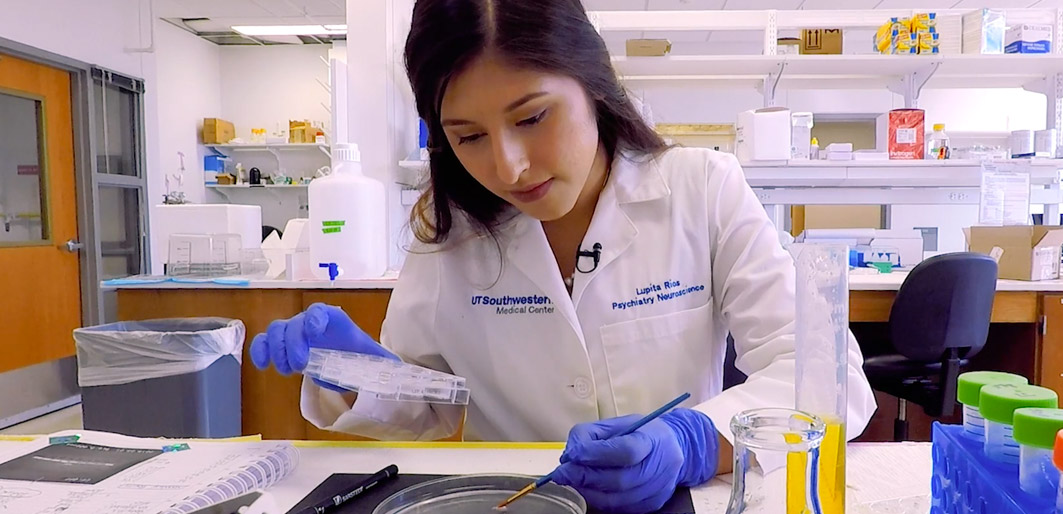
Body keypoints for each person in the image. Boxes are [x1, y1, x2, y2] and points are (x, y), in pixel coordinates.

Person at [250, 0, 877, 511]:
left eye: (532, 117)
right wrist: (358, 370)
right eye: (468, 136)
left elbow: (827, 380)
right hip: (518, 503)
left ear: (593, 84)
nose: (508, 166)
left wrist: (690, 442)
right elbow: (435, 405)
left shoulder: (702, 189)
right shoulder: (449, 232)